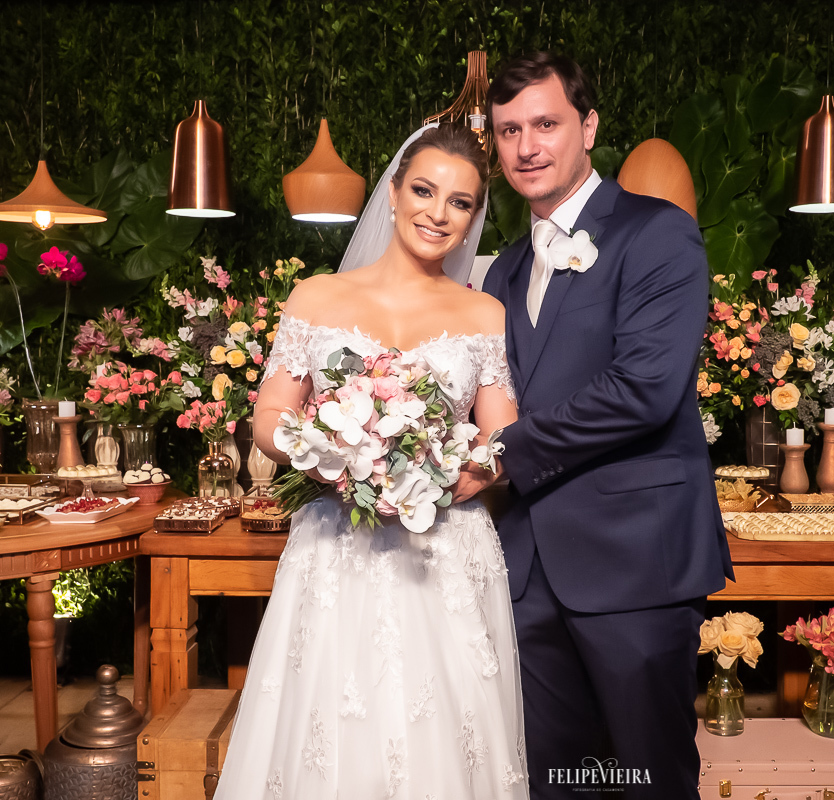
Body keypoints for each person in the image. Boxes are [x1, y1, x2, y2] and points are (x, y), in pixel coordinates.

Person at [214, 123, 528, 799]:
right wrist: (329, 452)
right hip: (337, 547)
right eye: (423, 190)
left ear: (474, 216)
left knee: (445, 731)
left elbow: (504, 437)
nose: (436, 213)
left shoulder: (484, 314)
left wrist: (471, 468)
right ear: (392, 191)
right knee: (330, 720)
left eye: (460, 202)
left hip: (442, 549)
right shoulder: (318, 297)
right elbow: (268, 417)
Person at [477, 53, 735, 799]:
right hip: (527, 571)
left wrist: (499, 455)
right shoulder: (502, 271)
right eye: (509, 130)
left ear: (588, 126)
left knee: (647, 779)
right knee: (558, 781)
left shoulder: (656, 234)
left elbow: (644, 391)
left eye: (547, 123)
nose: (527, 146)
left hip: (634, 563)